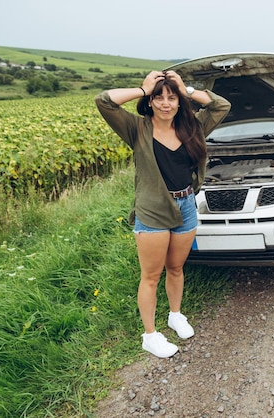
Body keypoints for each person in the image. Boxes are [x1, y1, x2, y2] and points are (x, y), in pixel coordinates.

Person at [95, 70, 231, 358]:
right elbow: (104, 101)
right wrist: (144, 89)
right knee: (151, 276)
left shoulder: (192, 127)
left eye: (172, 98)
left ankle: (175, 315)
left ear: (179, 102)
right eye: (159, 98)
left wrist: (186, 89)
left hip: (186, 206)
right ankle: (150, 335)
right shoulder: (136, 128)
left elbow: (221, 106)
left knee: (177, 268)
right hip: (153, 210)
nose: (166, 103)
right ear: (151, 102)